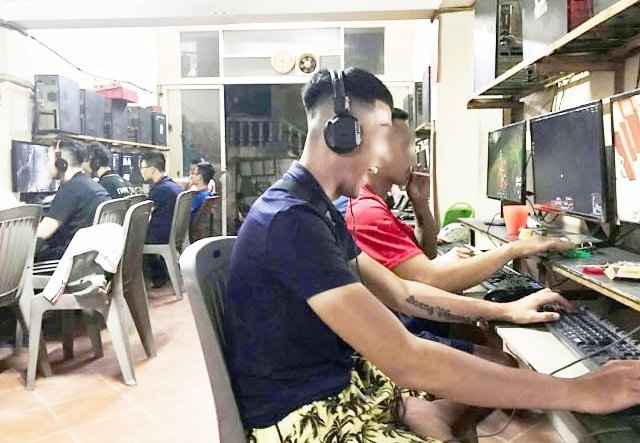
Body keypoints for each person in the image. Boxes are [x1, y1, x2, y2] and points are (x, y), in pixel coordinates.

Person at [223, 68, 640, 443]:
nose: (380, 156)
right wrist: (577, 391)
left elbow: (402, 291)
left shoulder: (312, 209)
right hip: (309, 418)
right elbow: (406, 359)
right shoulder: (291, 221)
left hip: (347, 389)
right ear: (344, 134)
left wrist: (504, 311)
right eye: (382, 134)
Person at [346, 108, 572, 294]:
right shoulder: (367, 212)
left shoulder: (374, 204)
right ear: (373, 152)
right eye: (405, 147)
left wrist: (420, 204)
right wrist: (513, 249)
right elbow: (432, 281)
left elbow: (427, 253)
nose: (413, 157)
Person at [36, 139, 110, 262]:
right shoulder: (93, 185)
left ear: (61, 164)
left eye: (49, 160)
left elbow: (42, 233)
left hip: (70, 259)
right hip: (91, 258)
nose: (47, 165)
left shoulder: (70, 189)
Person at [140, 151, 182, 288]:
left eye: (143, 168)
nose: (141, 171)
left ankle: (147, 280)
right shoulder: (174, 186)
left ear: (152, 169)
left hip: (161, 235)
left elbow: (143, 215)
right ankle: (159, 275)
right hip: (173, 233)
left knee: (132, 237)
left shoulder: (160, 190)